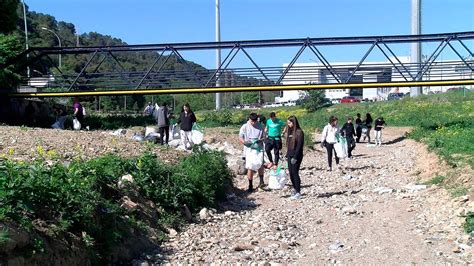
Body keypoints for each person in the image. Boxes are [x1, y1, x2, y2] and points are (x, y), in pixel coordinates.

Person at [239, 113, 265, 192]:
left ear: (257, 120)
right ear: (249, 119)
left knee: (260, 165)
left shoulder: (260, 126)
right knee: (250, 167)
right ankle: (250, 185)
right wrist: (245, 142)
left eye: (254, 121)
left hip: (258, 149)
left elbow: (264, 136)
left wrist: (260, 140)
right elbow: (240, 137)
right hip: (249, 149)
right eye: (251, 121)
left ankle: (261, 182)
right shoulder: (245, 126)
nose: (253, 123)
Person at [286, 116, 304, 200]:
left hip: (296, 156)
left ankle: (298, 191)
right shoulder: (290, 132)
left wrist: (295, 157)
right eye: (288, 123)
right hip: (290, 155)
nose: (288, 124)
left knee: (295, 173)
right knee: (290, 173)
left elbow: (299, 146)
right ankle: (294, 189)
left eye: (289, 123)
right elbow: (289, 146)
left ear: (294, 122)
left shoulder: (299, 132)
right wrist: (287, 155)